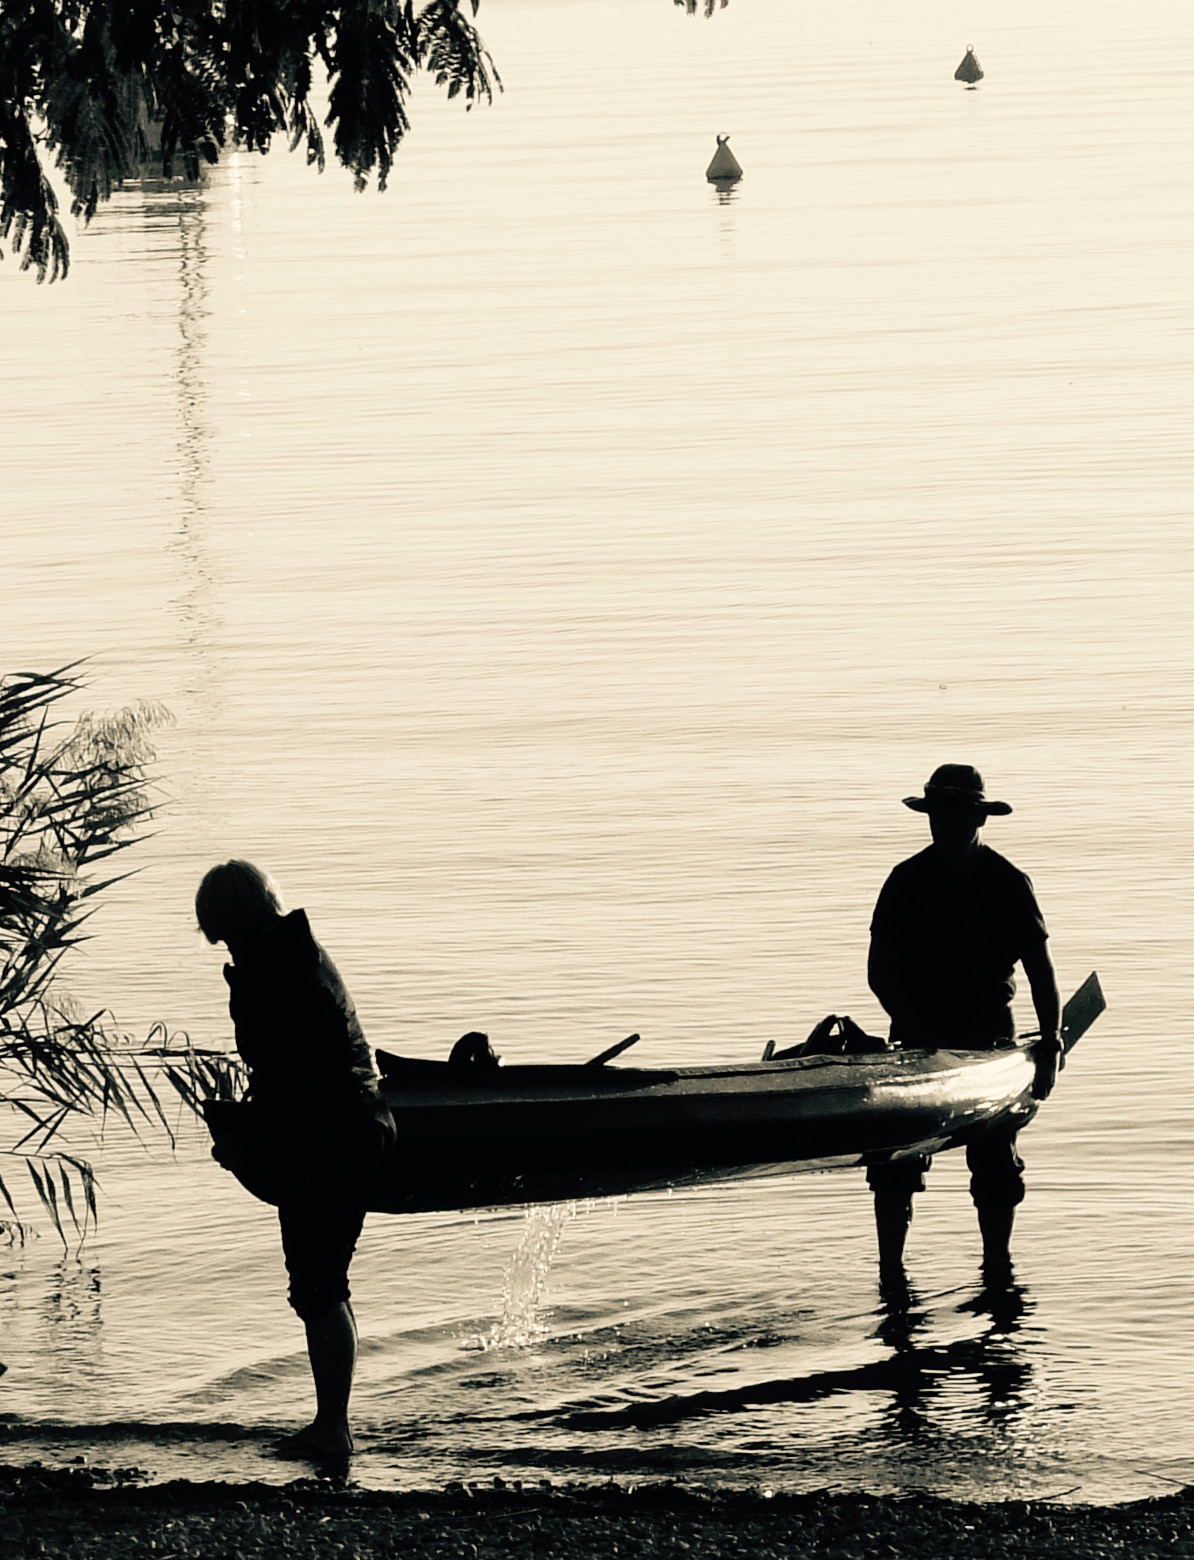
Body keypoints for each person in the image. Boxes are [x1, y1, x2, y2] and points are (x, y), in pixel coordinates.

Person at [195, 860, 395, 1464]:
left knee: (318, 1286)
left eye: (223, 933)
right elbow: (294, 1072)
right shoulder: (291, 954)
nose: (223, 945)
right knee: (319, 1285)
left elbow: (293, 1080)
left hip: (330, 1136)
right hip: (351, 1124)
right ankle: (331, 1423)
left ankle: (333, 1429)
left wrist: (241, 1138)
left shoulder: (276, 971)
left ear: (235, 920)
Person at [865, 765, 1062, 1281]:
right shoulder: (906, 880)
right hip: (914, 1039)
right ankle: (891, 1272)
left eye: (956, 816)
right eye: (938, 816)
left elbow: (1041, 972)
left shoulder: (1007, 882)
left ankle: (997, 1265)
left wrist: (1051, 1044)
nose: (945, 826)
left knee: (996, 1164)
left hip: (989, 1040)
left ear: (978, 818)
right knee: (894, 1166)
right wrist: (918, 1032)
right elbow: (879, 973)